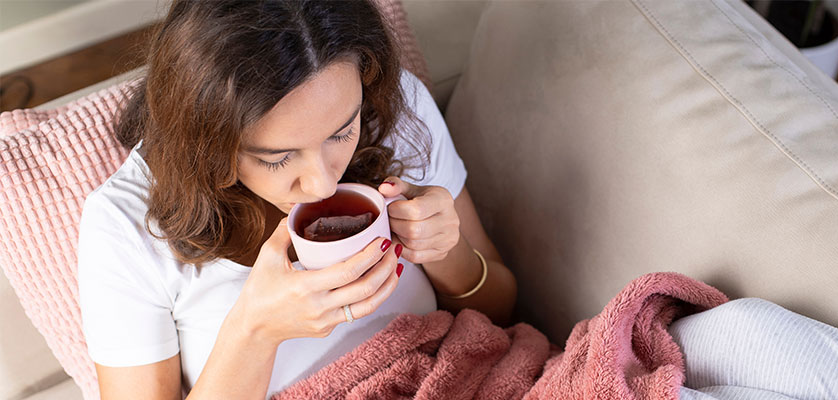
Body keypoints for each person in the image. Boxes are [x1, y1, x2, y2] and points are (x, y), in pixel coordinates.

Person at [75, 0, 517, 398]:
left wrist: (445, 251)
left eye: (342, 131)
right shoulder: (124, 224)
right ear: (208, 144)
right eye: (279, 158)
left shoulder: (396, 112)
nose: (322, 185)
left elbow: (500, 310)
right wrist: (255, 331)